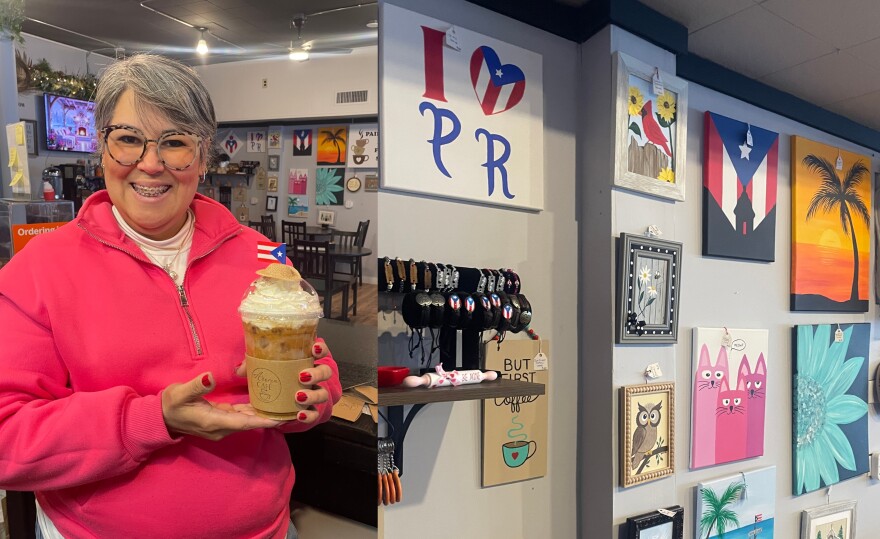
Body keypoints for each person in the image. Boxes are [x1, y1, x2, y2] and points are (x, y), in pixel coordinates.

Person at [0, 54, 342, 538]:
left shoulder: (265, 255)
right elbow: (6, 436)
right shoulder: (38, 269)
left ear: (203, 156)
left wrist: (315, 392)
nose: (151, 163)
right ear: (102, 148)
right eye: (128, 140)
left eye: (175, 142)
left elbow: (310, 373)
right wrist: (151, 419)